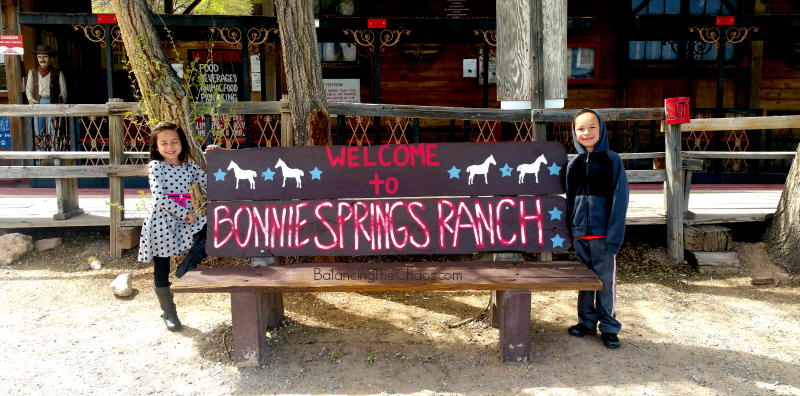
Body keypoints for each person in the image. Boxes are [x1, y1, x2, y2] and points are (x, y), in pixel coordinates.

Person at [138, 121, 216, 332]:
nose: (170, 147)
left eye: (174, 141)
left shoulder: (189, 166)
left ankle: (187, 265)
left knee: (212, 229)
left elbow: (212, 181)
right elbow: (160, 196)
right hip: (162, 220)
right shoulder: (157, 166)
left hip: (185, 217)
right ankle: (169, 312)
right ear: (156, 146)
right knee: (161, 266)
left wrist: (216, 157)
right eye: (163, 143)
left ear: (182, 144)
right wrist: (186, 213)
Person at [565, 109, 629, 349]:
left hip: (604, 236)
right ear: (574, 132)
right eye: (580, 128)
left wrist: (615, 236)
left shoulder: (613, 160)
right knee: (584, 281)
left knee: (604, 282)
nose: (586, 132)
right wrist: (572, 230)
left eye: (592, 127)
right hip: (580, 234)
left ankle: (610, 327)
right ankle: (586, 322)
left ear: (601, 129)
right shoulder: (574, 164)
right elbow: (570, 200)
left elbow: (620, 200)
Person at [26, 45, 68, 140]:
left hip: (53, 103)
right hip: (38, 103)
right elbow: (29, 89)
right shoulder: (32, 72)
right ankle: (40, 153)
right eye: (39, 57)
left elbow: (64, 91)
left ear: (50, 58)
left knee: (53, 129)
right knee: (39, 130)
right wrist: (31, 99)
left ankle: (53, 152)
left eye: (45, 57)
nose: (42, 59)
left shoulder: (57, 73)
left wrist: (62, 103)